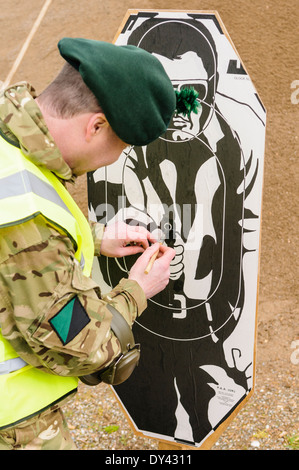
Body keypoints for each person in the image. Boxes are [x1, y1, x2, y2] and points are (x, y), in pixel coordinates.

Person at [0, 37, 177, 450]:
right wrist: (136, 291)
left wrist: (96, 238)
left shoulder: (11, 150)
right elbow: (81, 344)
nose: (114, 159)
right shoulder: (26, 209)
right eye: (120, 147)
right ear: (95, 125)